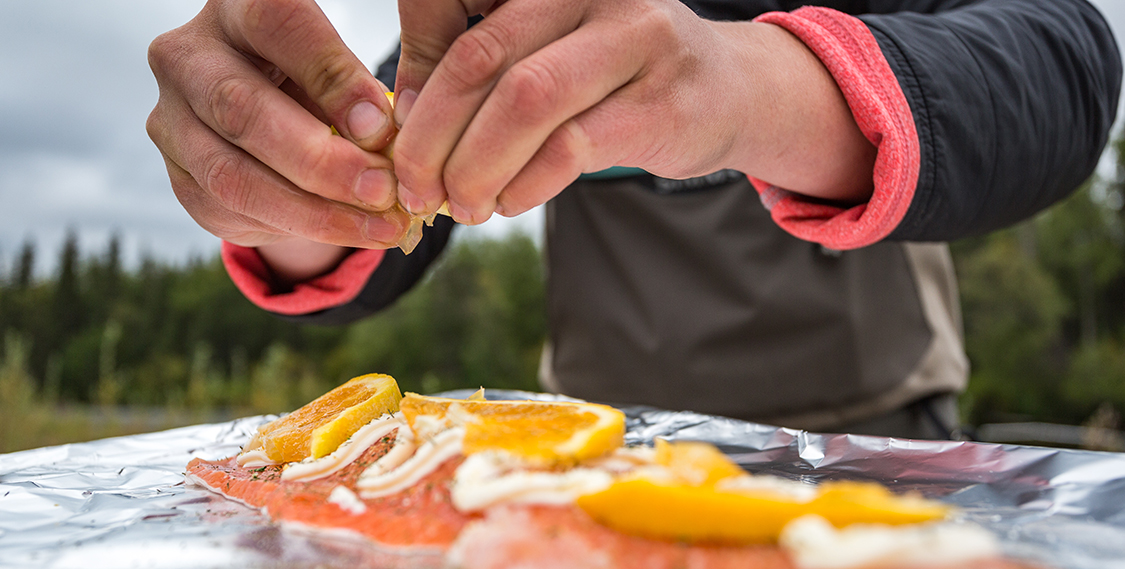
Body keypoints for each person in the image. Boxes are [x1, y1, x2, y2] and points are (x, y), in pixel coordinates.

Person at [146, 0, 1121, 438]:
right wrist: (287, 172)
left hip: (878, 444)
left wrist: (749, 91)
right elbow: (386, 207)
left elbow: (1065, 65)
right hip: (593, 454)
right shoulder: (501, 10)